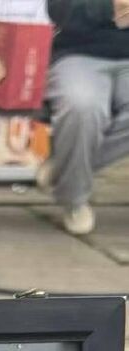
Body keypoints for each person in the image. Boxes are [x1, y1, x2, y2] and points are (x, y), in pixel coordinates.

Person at [45, 0, 129, 234]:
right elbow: (57, 9)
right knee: (82, 106)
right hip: (79, 54)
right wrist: (110, 8)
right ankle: (74, 200)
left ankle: (63, 169)